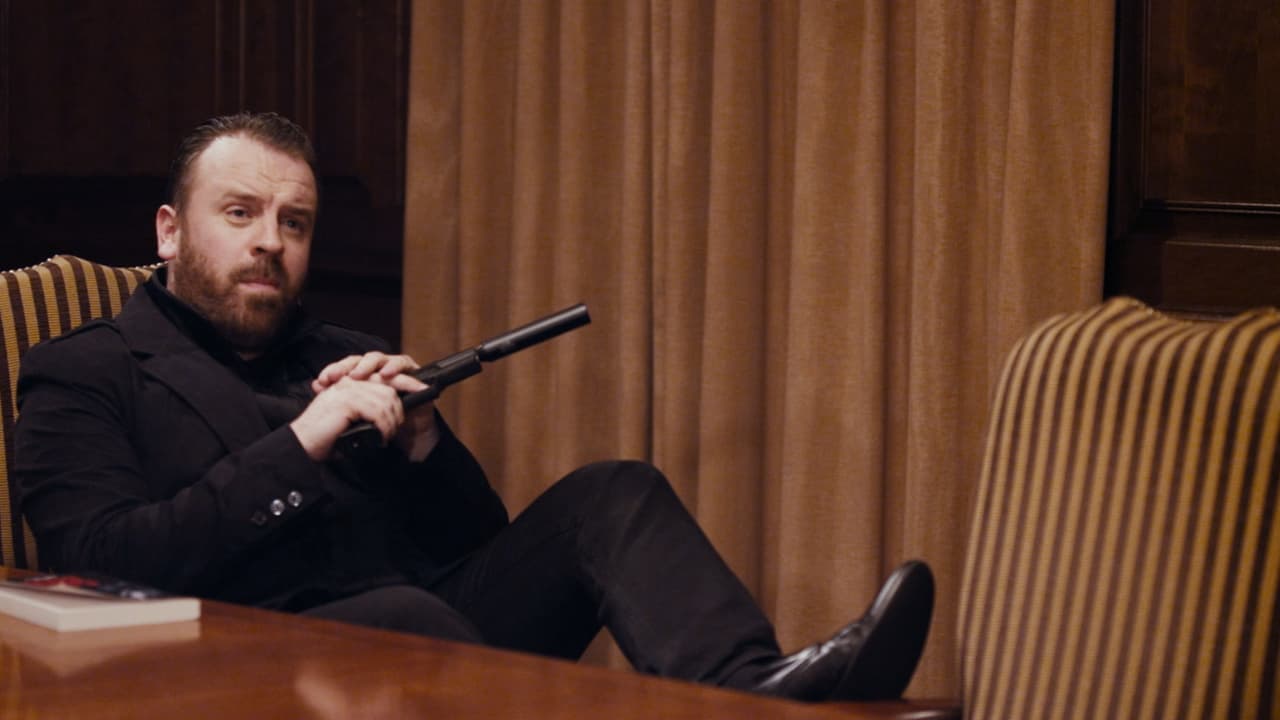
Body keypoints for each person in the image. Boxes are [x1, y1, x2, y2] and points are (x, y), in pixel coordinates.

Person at [13, 112, 933, 702]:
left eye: (294, 223)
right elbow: (95, 562)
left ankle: (756, 695)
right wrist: (299, 446)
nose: (270, 243)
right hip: (234, 665)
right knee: (407, 613)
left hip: (428, 634)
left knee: (614, 494)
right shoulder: (85, 368)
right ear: (170, 231)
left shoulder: (339, 352)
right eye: (240, 213)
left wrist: (424, 443)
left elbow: (479, 547)